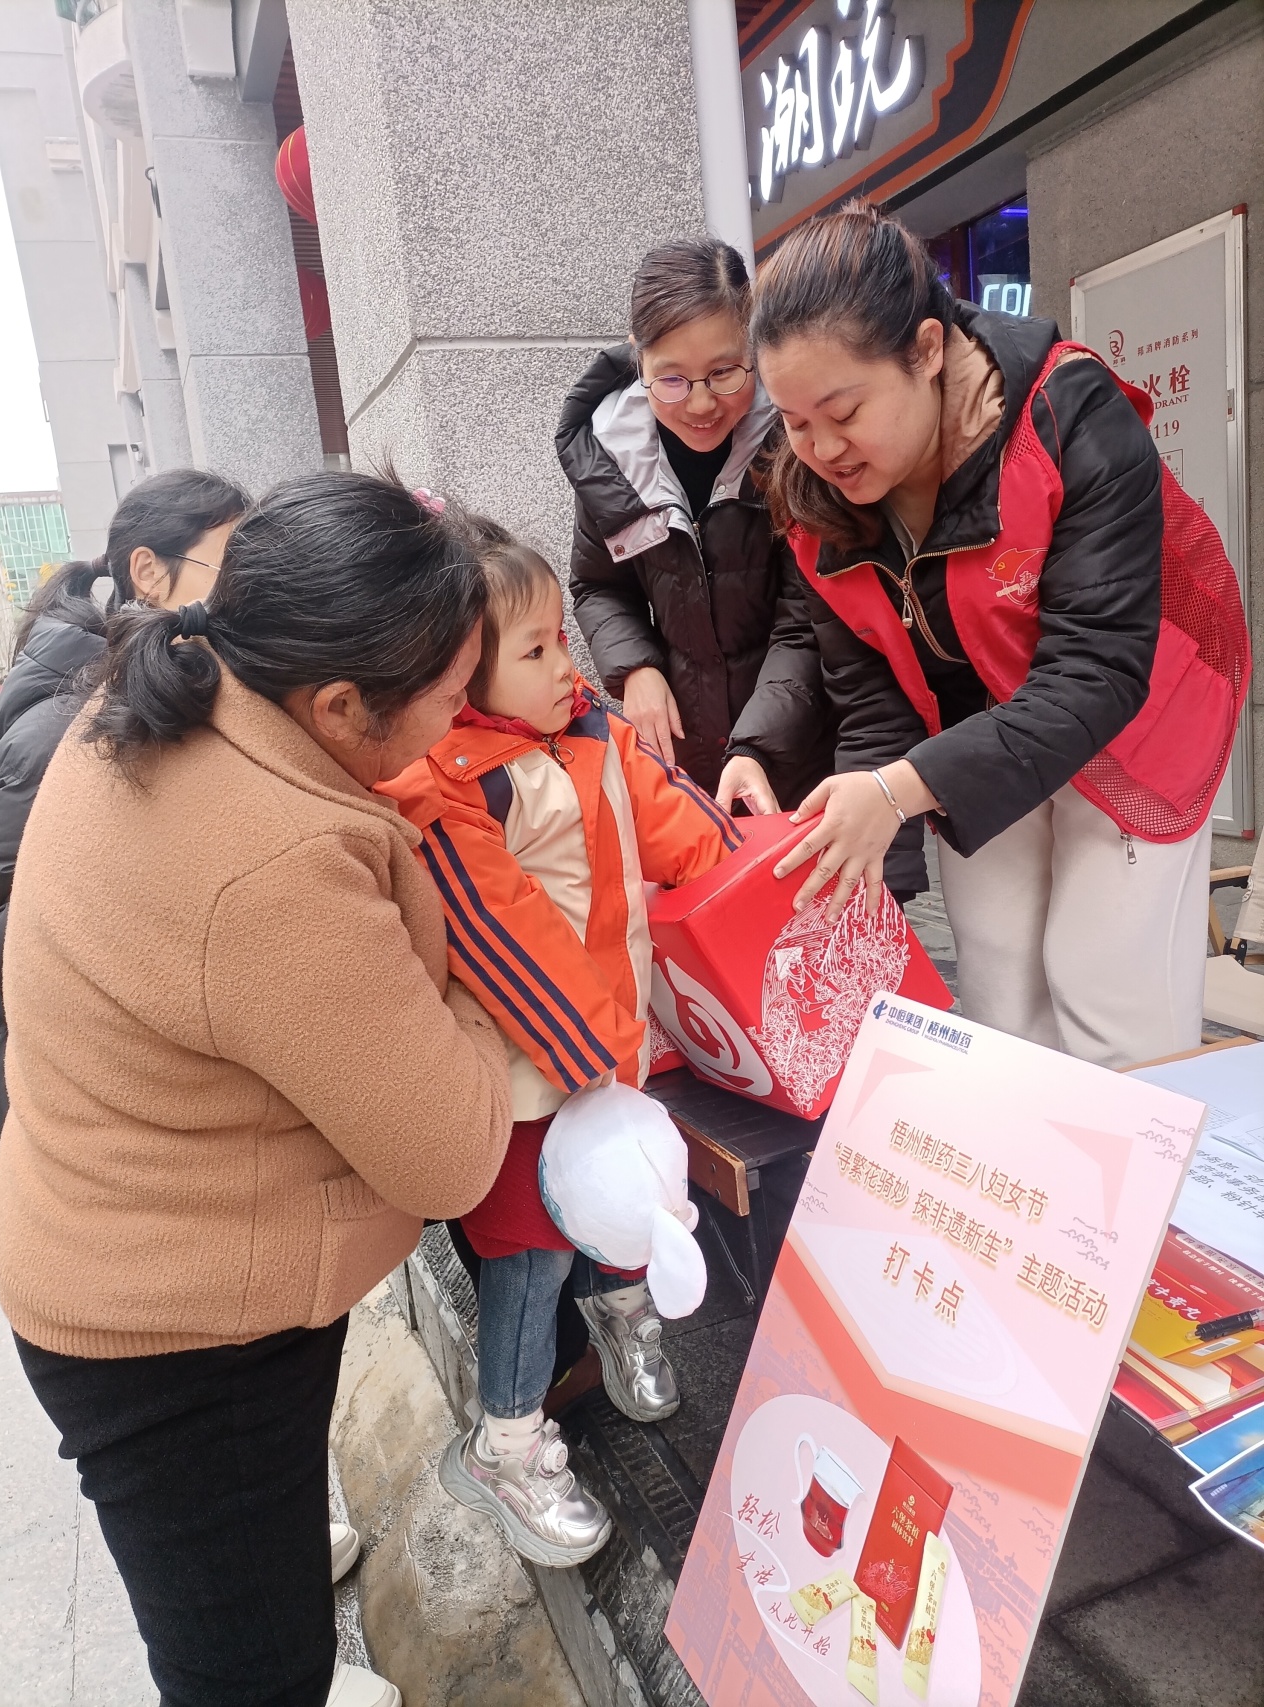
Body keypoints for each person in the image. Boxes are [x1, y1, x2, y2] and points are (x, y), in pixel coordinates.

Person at [0, 472, 514, 1707]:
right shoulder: (273, 867)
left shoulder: (166, 688)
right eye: (452, 695)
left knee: (248, 1593)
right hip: (176, 1339)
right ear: (338, 705)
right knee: (246, 1675)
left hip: (132, 1248)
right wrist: (491, 993)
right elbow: (451, 1156)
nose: (467, 715)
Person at [723, 201, 1249, 1069]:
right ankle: (1023, 1155)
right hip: (975, 724)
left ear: (927, 350)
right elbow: (875, 696)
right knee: (998, 974)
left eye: (842, 410)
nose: (818, 448)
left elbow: (1098, 671)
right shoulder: (813, 502)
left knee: (1104, 982)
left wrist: (896, 790)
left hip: (1137, 708)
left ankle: (1141, 1156)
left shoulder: (1067, 415)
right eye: (792, 419)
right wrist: (869, 849)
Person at [380, 526, 742, 1568]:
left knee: (621, 1205)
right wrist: (593, 1048)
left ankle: (625, 1318)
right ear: (461, 670)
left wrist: (742, 859)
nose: (563, 667)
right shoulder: (446, 781)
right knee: (530, 1252)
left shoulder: (591, 731)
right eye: (533, 650)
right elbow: (502, 929)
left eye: (560, 641)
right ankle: (505, 1439)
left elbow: (672, 819)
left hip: (604, 1050)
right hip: (525, 1069)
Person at [0, 468, 248, 1187]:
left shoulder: (168, 693)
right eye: (232, 565)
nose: (247, 593)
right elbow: (0, 928)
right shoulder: (65, 728)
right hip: (73, 1108)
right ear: (149, 573)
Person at [556, 237, 832, 810]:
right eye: (672, 378)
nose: (701, 404)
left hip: (803, 742)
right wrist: (635, 668)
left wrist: (755, 745)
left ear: (753, 344)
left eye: (724, 372)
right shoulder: (613, 457)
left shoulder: (794, 443)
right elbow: (598, 585)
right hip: (687, 750)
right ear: (639, 358)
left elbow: (807, 619)